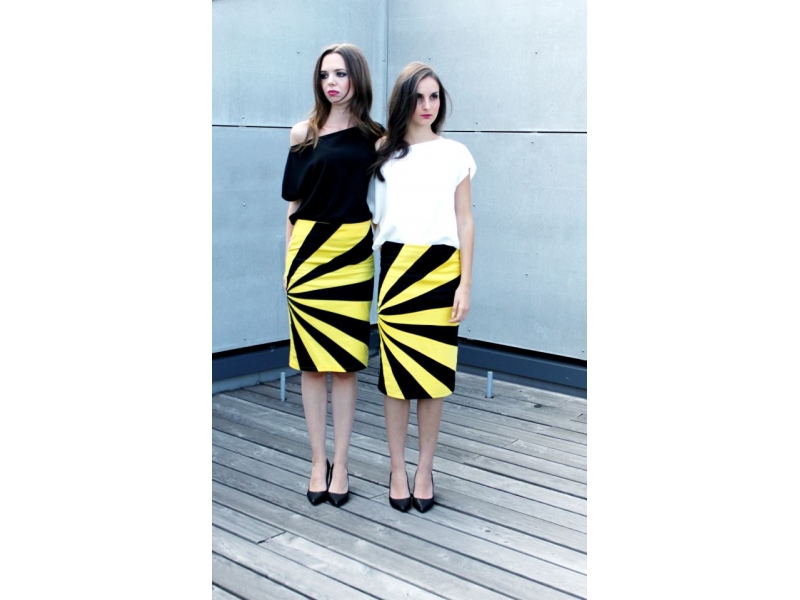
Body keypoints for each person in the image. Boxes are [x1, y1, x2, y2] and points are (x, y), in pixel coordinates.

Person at [370, 62, 476, 513]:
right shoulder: (382, 153)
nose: (427, 105)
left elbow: (465, 221)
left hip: (441, 271)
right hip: (396, 269)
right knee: (395, 380)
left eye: (434, 97)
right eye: (418, 97)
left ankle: (425, 469)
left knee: (433, 381)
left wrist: (465, 284)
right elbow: (370, 215)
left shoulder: (455, 154)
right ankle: (397, 469)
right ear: (404, 101)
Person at [281, 43, 383, 507]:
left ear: (356, 78)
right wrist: (288, 263)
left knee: (344, 366)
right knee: (310, 365)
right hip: (307, 257)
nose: (331, 83)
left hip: (353, 256)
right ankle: (316, 461)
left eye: (340, 74)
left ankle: (341, 464)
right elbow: (294, 203)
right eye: (325, 75)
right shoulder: (303, 132)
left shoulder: (375, 139)